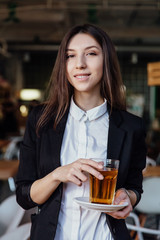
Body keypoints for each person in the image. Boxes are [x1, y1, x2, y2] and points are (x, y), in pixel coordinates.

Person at [16, 24, 146, 240]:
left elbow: (134, 188)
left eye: (91, 54)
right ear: (63, 64)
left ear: (106, 61)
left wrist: (128, 197)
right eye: (70, 56)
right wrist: (58, 174)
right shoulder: (41, 120)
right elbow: (24, 196)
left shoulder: (132, 127)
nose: (80, 64)